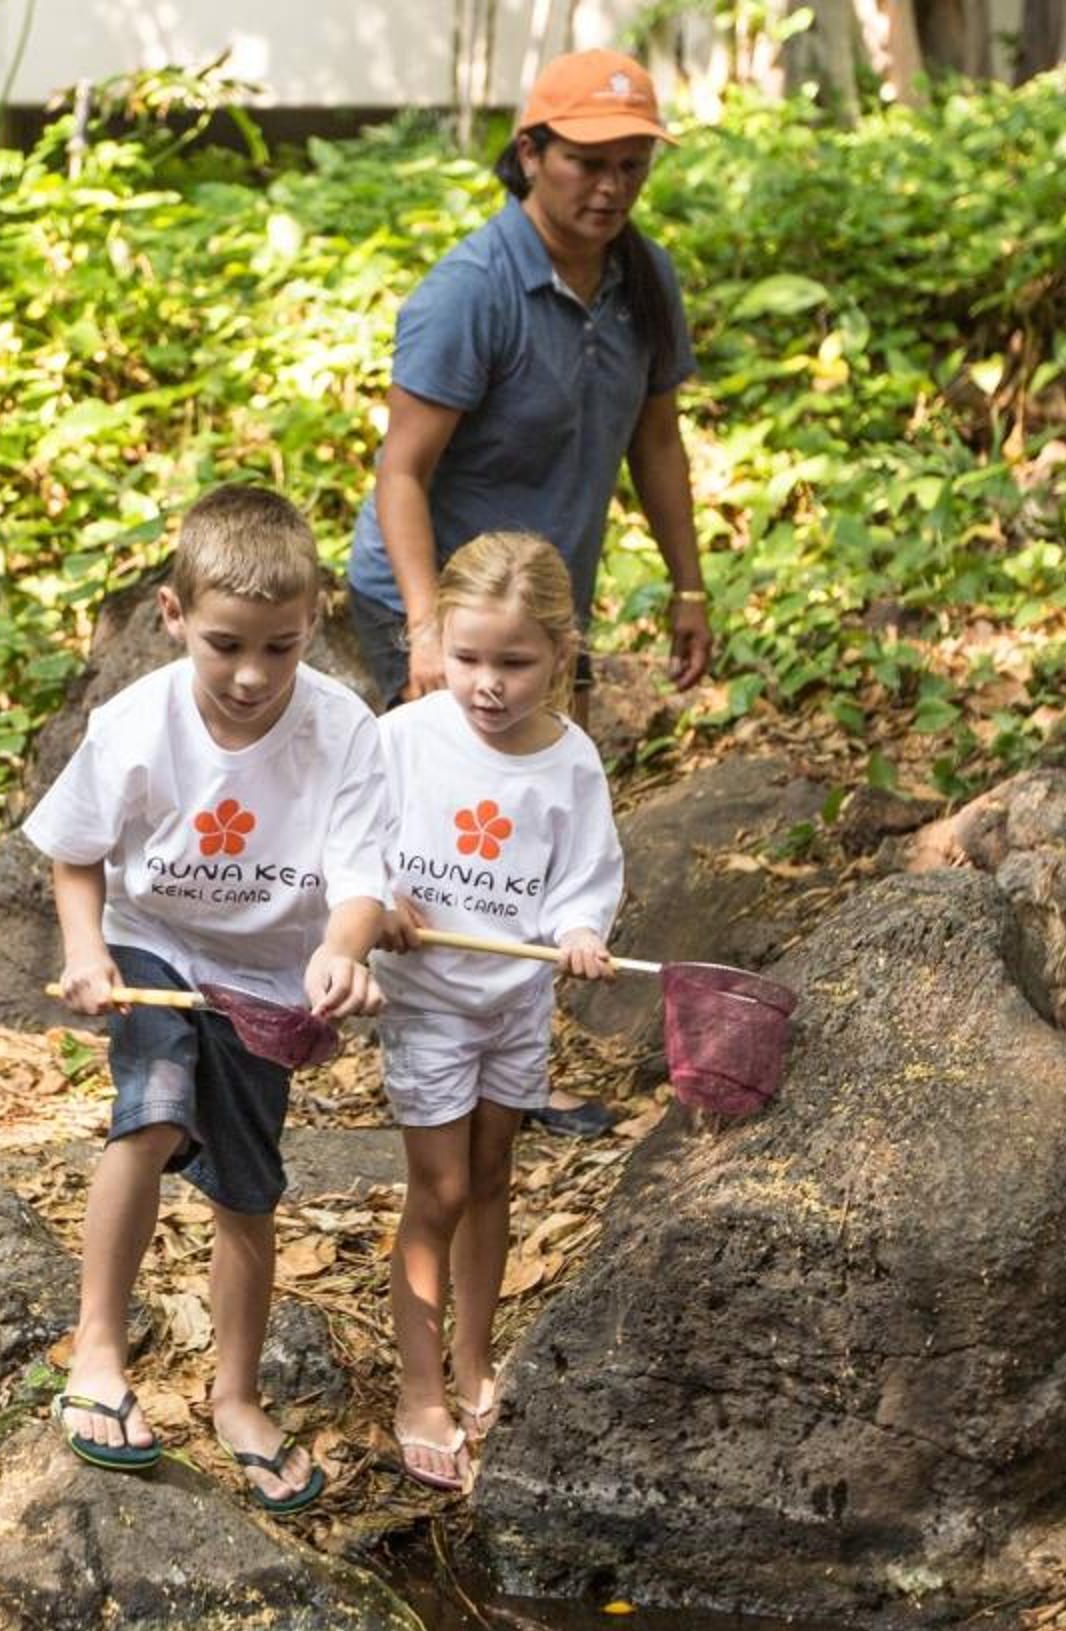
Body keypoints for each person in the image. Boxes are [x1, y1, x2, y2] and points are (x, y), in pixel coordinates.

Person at [347, 45, 711, 1137]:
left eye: (631, 166)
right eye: (585, 162)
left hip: (547, 599)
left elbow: (658, 439)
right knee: (457, 828)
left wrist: (689, 585)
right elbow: (400, 471)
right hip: (443, 599)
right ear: (529, 154)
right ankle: (427, 1051)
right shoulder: (472, 291)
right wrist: (423, 632)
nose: (607, 188)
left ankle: (513, 1059)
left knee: (550, 809)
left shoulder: (640, 280)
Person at [23, 484, 391, 1514]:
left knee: (245, 1189)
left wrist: (345, 952)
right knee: (150, 1113)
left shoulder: (344, 730)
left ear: (314, 620)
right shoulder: (135, 722)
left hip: (268, 980)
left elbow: (361, 879)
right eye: (225, 642)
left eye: (280, 647)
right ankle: (97, 1348)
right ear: (173, 615)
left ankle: (235, 1394)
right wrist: (89, 951)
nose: (250, 674)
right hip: (157, 946)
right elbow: (76, 854)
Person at [372, 534, 623, 1492]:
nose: (487, 684)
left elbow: (583, 878)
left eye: (515, 663)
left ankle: (474, 1361)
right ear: (437, 640)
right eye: (469, 658)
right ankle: (420, 1387)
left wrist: (578, 930)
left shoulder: (570, 762)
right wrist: (381, 908)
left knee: (491, 1179)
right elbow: (357, 847)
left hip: (515, 1000)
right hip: (430, 1001)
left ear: (561, 653)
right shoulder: (404, 739)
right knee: (436, 1192)